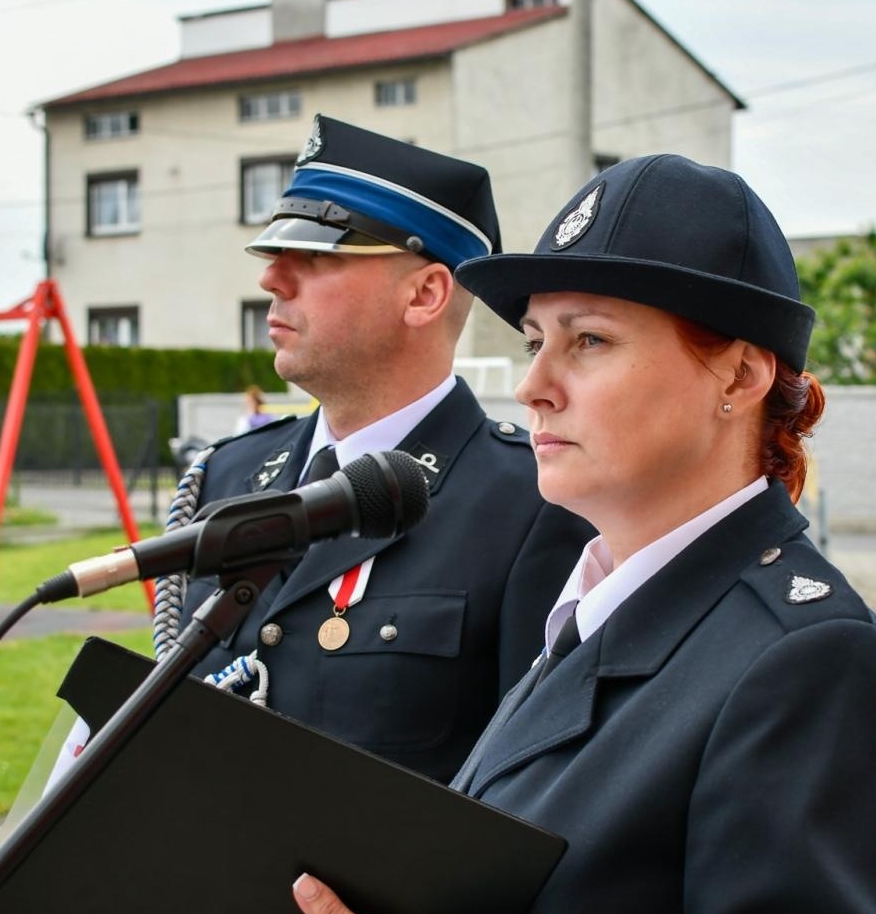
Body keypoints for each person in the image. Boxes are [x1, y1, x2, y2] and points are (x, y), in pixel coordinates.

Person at [157, 155, 876, 914]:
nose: (534, 384)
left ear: (739, 376)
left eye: (590, 341)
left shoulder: (812, 667)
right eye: (536, 341)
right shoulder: (596, 613)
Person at [149, 115, 590, 785]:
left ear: (424, 294)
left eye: (318, 256)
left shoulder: (531, 505)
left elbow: (530, 790)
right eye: (276, 254)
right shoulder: (227, 474)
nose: (272, 278)